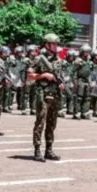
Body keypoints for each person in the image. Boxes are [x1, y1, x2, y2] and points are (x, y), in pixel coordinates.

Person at [28, 33, 64, 162]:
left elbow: (60, 76)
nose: (56, 46)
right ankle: (37, 150)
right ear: (47, 45)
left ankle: (49, 150)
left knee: (52, 124)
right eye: (53, 44)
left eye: (56, 44)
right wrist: (44, 75)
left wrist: (61, 84)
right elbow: (30, 76)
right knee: (40, 123)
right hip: (42, 95)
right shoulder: (39, 59)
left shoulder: (58, 60)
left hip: (54, 95)